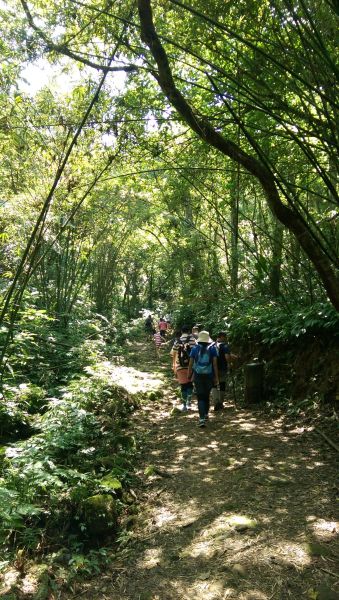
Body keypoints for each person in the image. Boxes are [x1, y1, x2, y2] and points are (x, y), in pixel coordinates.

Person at [187, 331, 219, 427]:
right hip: (209, 376)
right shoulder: (212, 349)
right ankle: (205, 414)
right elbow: (215, 365)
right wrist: (216, 377)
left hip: (198, 376)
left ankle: (201, 419)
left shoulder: (195, 349)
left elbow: (191, 363)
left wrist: (189, 374)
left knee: (200, 397)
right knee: (206, 395)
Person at [172, 325, 197, 411]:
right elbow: (197, 352)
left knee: (183, 386)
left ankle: (184, 406)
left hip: (180, 367)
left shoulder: (177, 341)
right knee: (190, 384)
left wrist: (174, 367)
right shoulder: (193, 340)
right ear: (189, 331)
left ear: (182, 332)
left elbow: (173, 354)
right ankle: (189, 402)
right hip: (191, 366)